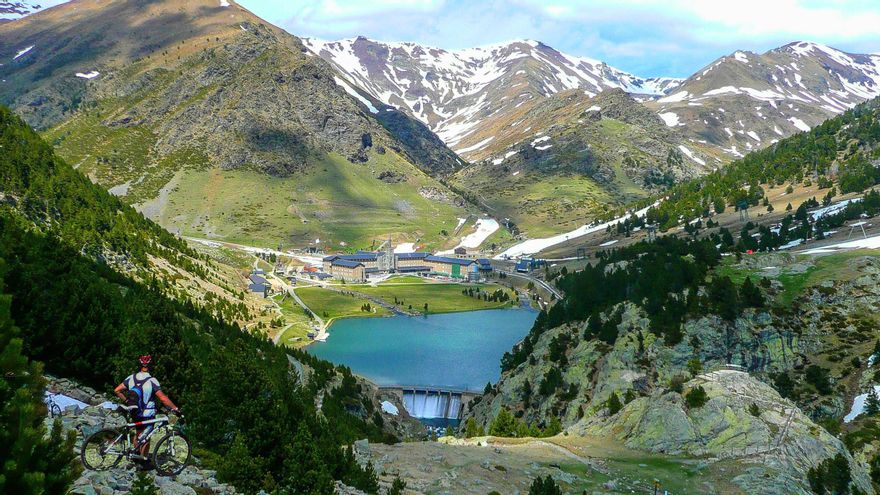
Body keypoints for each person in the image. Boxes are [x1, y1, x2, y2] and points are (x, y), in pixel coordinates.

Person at [114, 355, 180, 462]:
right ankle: (143, 460)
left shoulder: (131, 378)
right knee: (146, 437)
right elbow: (163, 398)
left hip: (135, 411)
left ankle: (136, 456)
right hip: (148, 414)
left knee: (139, 433)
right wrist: (175, 408)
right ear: (151, 366)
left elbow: (117, 390)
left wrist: (126, 401)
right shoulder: (152, 381)